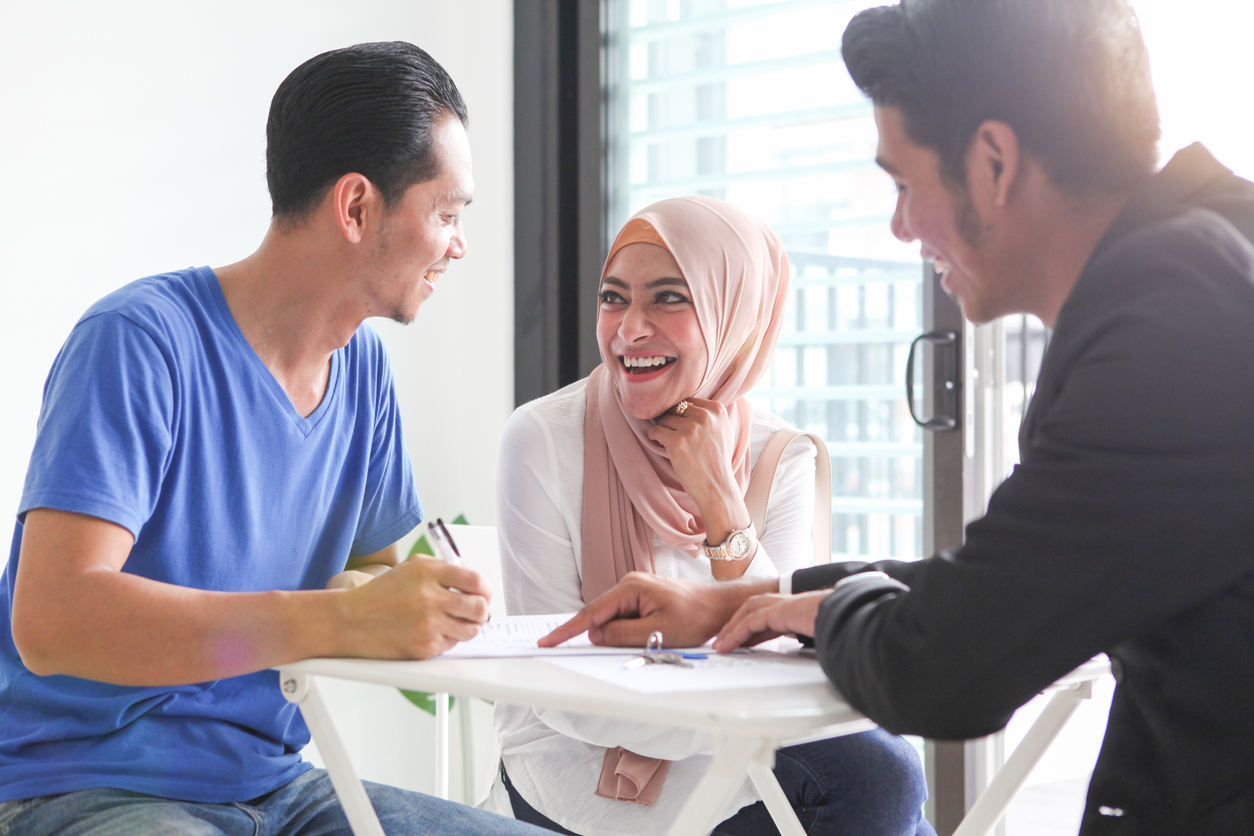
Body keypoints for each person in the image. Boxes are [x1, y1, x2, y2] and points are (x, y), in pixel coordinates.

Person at [545, 1, 1254, 833]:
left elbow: (947, 661)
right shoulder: (1197, 276)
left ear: (994, 160)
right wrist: (764, 599)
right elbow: (997, 580)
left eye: (904, 183)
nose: (899, 225)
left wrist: (821, 609)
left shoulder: (1168, 332)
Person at [0, 42, 546, 836]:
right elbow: (53, 623)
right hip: (89, 786)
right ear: (357, 207)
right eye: (448, 214)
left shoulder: (364, 373)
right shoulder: (140, 341)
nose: (459, 244)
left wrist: (426, 608)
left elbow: (373, 580)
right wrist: (342, 619)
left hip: (279, 790)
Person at [487, 196, 933, 836]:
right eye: (614, 298)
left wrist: (720, 500)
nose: (629, 329)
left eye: (668, 298)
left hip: (746, 739)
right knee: (877, 779)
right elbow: (556, 677)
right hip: (575, 757)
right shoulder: (541, 438)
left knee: (879, 779)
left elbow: (785, 642)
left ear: (736, 313)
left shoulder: (779, 455)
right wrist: (729, 717)